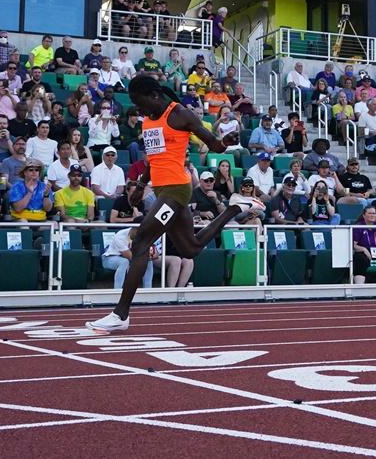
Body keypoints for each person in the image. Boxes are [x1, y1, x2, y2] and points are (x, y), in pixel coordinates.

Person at [87, 75, 264, 333]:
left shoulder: (180, 114)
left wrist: (223, 142)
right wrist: (139, 184)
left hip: (177, 190)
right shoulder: (148, 121)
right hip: (161, 190)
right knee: (190, 248)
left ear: (155, 95)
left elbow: (213, 143)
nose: (141, 109)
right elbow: (153, 158)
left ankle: (120, 314)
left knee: (140, 242)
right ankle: (236, 208)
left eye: (141, 102)